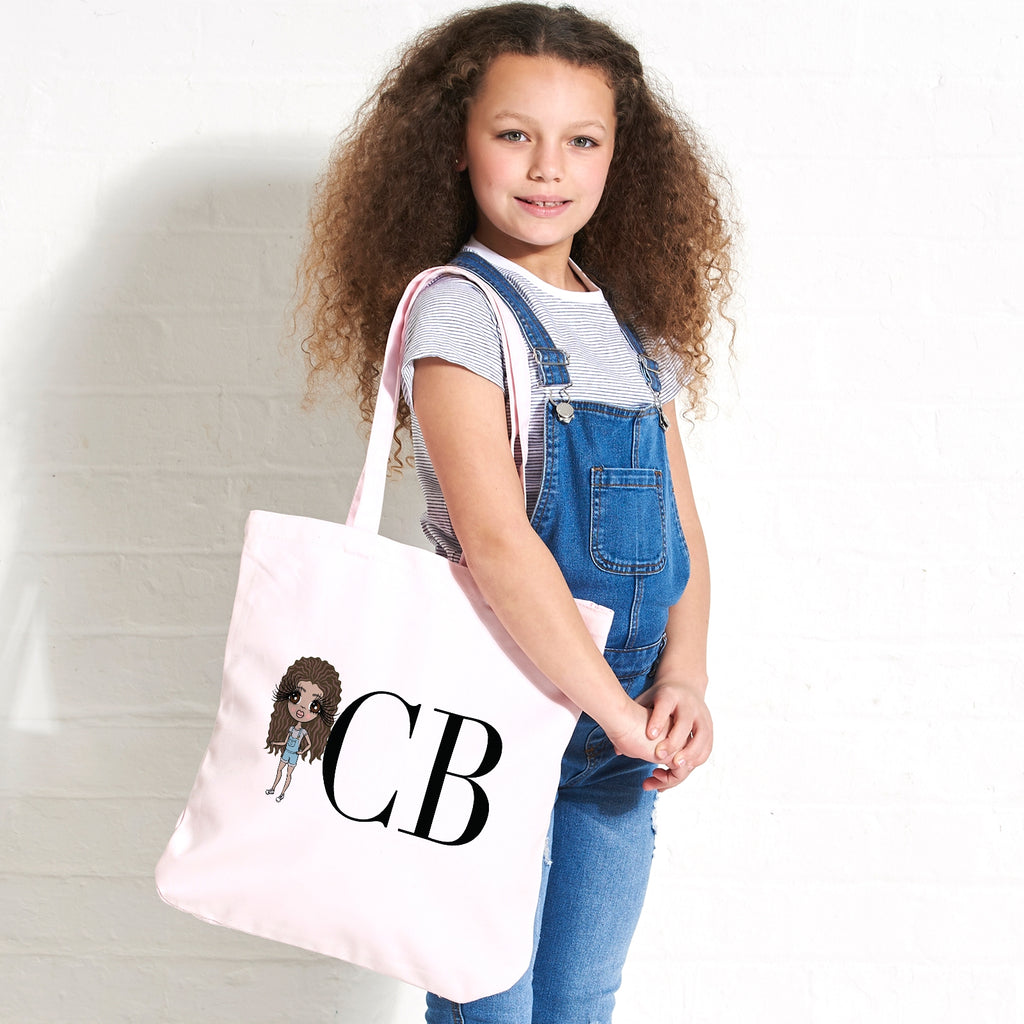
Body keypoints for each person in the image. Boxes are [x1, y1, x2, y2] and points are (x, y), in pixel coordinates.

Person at [296, 3, 733, 1020]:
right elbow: (496, 543)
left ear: (619, 155)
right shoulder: (461, 307)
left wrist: (683, 676)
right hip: (492, 715)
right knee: (488, 1003)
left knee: (580, 1000)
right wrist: (613, 708)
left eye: (581, 140)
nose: (547, 168)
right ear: (455, 144)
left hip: (620, 734)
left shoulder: (631, 326)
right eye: (512, 134)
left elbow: (681, 527)